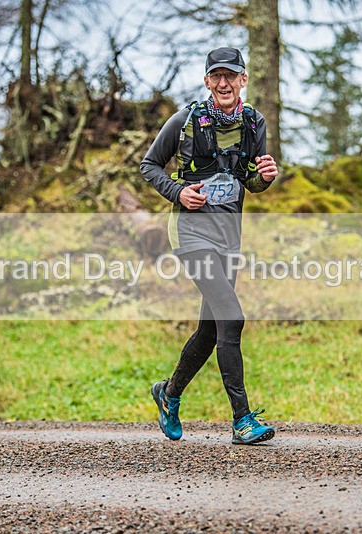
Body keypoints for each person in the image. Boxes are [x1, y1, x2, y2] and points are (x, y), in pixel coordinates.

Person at [140, 47, 279, 445]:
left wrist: (265, 178)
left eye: (230, 76)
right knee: (232, 318)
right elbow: (149, 166)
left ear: (243, 80)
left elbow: (249, 179)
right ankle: (242, 420)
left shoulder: (255, 124)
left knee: (208, 329)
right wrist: (178, 192)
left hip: (228, 236)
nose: (223, 83)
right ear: (206, 81)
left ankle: (168, 394)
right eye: (216, 76)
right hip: (190, 233)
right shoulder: (185, 121)